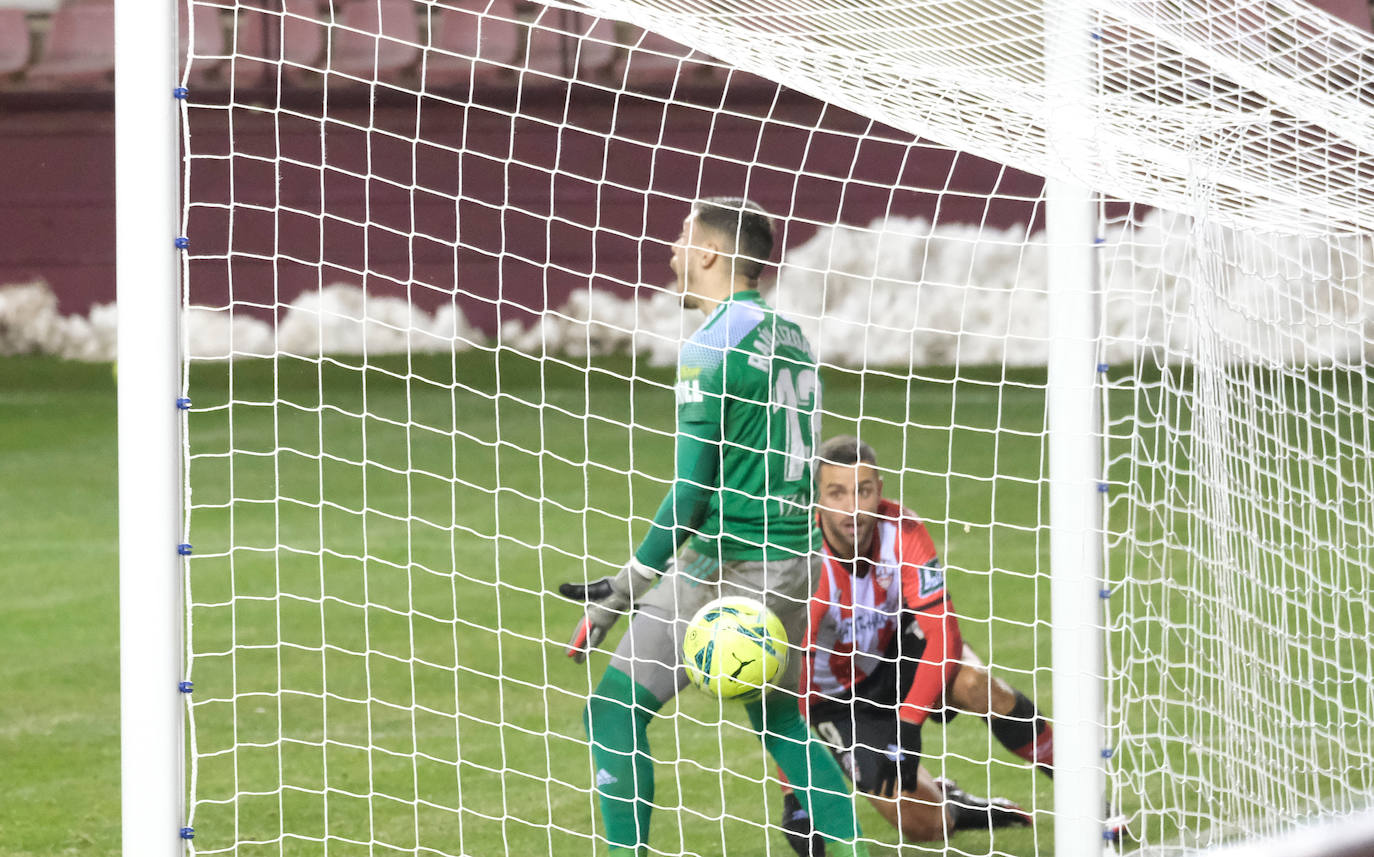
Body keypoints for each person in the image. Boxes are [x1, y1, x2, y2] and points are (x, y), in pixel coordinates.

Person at [559, 198, 871, 857]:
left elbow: (692, 493)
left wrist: (624, 586)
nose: (672, 251)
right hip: (794, 554)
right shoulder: (791, 335)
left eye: (681, 238)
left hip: (730, 561)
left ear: (708, 253)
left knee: (615, 709)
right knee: (783, 719)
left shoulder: (710, 347)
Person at [777, 434, 1054, 855]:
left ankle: (1084, 790)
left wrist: (908, 725)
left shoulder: (902, 530)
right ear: (817, 499)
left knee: (976, 682)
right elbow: (789, 682)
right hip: (836, 701)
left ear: (880, 491)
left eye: (863, 491)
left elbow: (945, 635)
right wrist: (794, 794)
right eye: (837, 493)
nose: (853, 507)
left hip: (896, 658)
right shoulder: (804, 561)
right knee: (927, 827)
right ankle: (953, 804)